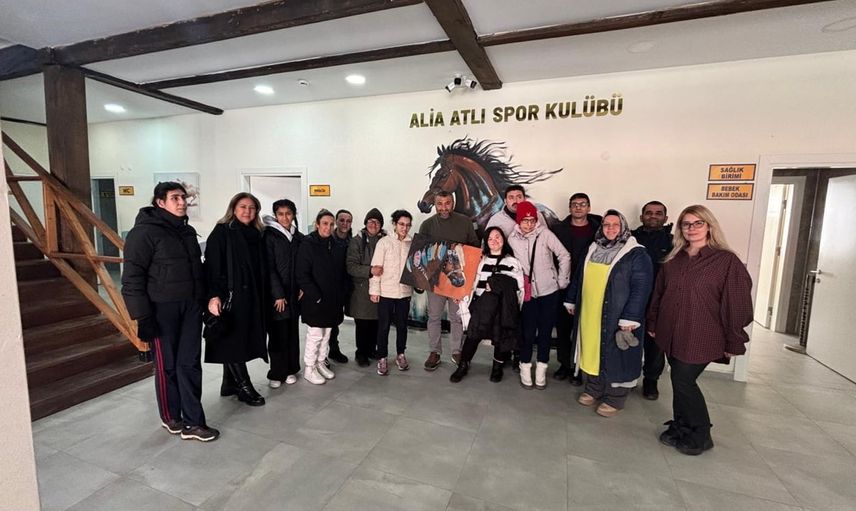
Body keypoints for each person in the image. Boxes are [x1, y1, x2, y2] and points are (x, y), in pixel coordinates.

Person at [647, 205, 753, 455]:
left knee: (683, 380)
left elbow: (738, 305)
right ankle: (681, 426)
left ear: (709, 226)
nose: (691, 228)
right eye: (686, 224)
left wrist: (734, 339)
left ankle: (701, 434)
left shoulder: (726, 261)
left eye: (698, 223)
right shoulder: (674, 259)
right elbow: (659, 294)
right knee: (678, 379)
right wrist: (653, 323)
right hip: (671, 332)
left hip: (702, 334)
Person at [122, 182, 219, 442]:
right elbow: (132, 278)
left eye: (183, 198)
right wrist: (142, 316)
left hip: (190, 306)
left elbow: (197, 270)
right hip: (160, 309)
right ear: (160, 202)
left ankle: (194, 421)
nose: (182, 202)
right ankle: (171, 417)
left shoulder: (186, 231)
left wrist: (205, 300)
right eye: (175, 198)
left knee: (189, 363)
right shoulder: (143, 233)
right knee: (167, 366)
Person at [564, 210, 653, 417]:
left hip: (617, 315)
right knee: (592, 349)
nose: (610, 228)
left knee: (617, 353)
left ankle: (615, 397)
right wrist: (571, 298)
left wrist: (630, 317)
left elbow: (641, 288)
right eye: (606, 224)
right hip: (590, 312)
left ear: (623, 227)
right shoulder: (593, 248)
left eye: (615, 224)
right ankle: (594, 387)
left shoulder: (636, 254)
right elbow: (579, 277)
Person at [205, 192, 268, 407]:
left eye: (252, 207)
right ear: (233, 208)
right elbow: (212, 267)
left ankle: (228, 383)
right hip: (229, 297)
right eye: (243, 207)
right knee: (233, 341)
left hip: (251, 296)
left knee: (237, 338)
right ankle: (244, 386)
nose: (247, 211)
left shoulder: (256, 234)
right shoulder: (222, 232)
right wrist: (214, 295)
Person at [508, 201, 570, 389]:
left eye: (532, 220)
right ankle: (525, 366)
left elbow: (564, 255)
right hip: (528, 294)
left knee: (545, 332)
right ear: (518, 221)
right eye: (524, 220)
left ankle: (542, 368)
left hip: (548, 291)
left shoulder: (545, 234)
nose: (528, 224)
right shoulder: (512, 239)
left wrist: (561, 281)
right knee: (527, 333)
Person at [450, 226, 524, 383]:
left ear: (503, 240)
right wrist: (461, 296)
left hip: (501, 308)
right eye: (490, 238)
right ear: (486, 242)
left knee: (500, 338)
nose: (494, 241)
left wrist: (497, 285)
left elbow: (518, 288)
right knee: (473, 336)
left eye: (497, 237)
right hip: (480, 306)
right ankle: (463, 365)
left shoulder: (513, 262)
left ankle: (497, 367)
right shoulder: (480, 260)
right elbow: (469, 282)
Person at [417, 190, 480, 370]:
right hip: (435, 280)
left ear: (452, 203)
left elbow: (474, 247)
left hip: (457, 278)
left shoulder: (465, 222)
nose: (444, 208)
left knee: (456, 317)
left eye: (447, 203)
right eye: (440, 204)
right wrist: (420, 281)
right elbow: (421, 253)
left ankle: (457, 351)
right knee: (434, 317)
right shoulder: (427, 225)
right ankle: (434, 352)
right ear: (435, 205)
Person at [552, 192, 602, 385]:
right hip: (564, 285)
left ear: (589, 207)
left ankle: (580, 368)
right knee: (563, 328)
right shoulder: (558, 229)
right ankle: (565, 364)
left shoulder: (599, 230)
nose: (578, 207)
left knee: (584, 329)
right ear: (570, 208)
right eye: (574, 204)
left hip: (590, 286)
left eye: (582, 204)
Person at [296, 209, 349, 384]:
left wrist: (340, 294)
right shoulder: (308, 244)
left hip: (332, 300)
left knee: (327, 334)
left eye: (331, 224)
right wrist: (316, 296)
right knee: (316, 334)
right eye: (325, 223)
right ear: (317, 224)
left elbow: (340, 272)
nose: (328, 227)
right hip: (315, 301)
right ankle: (309, 368)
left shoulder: (334, 244)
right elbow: (302, 275)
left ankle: (320, 362)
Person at [631, 201, 673, 400]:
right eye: (649, 213)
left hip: (660, 301)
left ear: (665, 218)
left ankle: (651, 380)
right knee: (628, 340)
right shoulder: (630, 238)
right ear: (642, 217)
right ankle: (627, 377)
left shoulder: (674, 242)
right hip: (632, 299)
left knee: (655, 344)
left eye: (658, 213)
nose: (653, 216)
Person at [263, 199, 304, 388]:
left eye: (288, 213)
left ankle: (291, 369)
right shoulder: (269, 236)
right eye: (281, 214)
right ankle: (276, 372)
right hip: (277, 295)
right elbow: (269, 268)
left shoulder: (298, 237)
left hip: (294, 293)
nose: (285, 217)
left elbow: (303, 265)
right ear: (275, 215)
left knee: (292, 333)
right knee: (277, 335)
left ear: (293, 215)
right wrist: (278, 294)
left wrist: (302, 286)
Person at [369, 210, 414, 376]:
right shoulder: (384, 243)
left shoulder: (412, 244)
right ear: (394, 224)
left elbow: (416, 268)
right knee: (383, 327)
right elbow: (376, 268)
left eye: (408, 225)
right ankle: (382, 357)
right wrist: (374, 290)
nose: (404, 228)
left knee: (402, 326)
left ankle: (400, 354)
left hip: (404, 293)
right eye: (401, 224)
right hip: (386, 292)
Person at [347, 208, 386, 367]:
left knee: (376, 323)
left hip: (381, 290)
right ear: (365, 223)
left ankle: (371, 350)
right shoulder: (356, 241)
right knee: (363, 324)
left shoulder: (386, 240)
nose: (373, 224)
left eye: (377, 222)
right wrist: (370, 270)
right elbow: (351, 266)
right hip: (361, 290)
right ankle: (361, 353)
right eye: (370, 221)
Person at [326, 209, 353, 364]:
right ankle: (326, 352)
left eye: (348, 221)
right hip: (329, 287)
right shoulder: (328, 240)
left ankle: (333, 349)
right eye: (341, 220)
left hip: (344, 287)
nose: (345, 223)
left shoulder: (352, 241)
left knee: (337, 319)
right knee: (327, 322)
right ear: (336, 221)